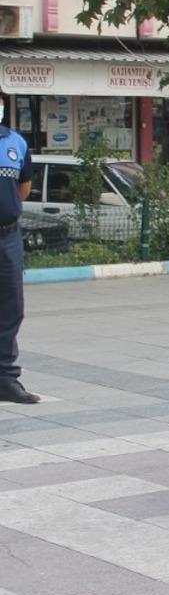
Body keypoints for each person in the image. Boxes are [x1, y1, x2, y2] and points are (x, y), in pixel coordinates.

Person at [0, 103, 39, 405]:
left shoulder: (17, 142)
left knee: (12, 307)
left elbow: (22, 190)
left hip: (8, 234)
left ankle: (6, 379)